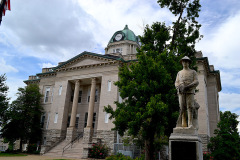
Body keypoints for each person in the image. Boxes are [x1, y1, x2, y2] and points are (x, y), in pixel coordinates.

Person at [175, 56, 199, 128]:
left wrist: (188, 86)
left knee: (190, 106)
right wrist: (179, 87)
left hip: (190, 91)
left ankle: (190, 124)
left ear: (189, 63)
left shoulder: (193, 72)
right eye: (183, 61)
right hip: (181, 92)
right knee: (182, 107)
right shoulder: (179, 73)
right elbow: (176, 82)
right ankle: (183, 123)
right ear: (182, 63)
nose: (185, 63)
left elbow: (196, 81)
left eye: (186, 61)